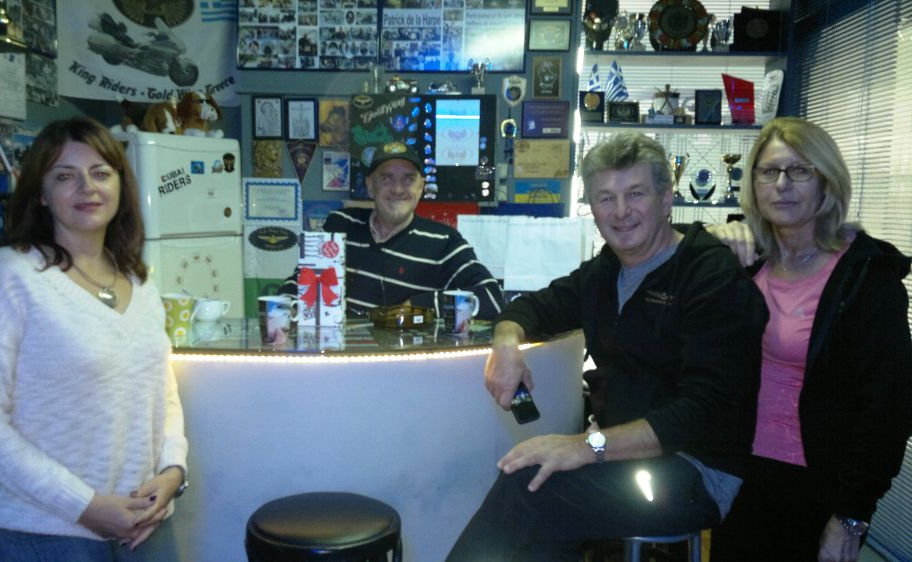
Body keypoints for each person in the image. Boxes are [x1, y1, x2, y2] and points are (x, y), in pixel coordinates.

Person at [446, 132, 769, 560]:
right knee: (536, 492)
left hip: (693, 473)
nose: (620, 211)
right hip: (623, 457)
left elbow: (700, 414)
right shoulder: (605, 273)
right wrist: (506, 342)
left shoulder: (710, 275)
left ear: (666, 199)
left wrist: (585, 448)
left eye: (635, 194)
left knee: (529, 488)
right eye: (605, 198)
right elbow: (533, 306)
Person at [0, 117, 189, 561]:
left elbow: (162, 390)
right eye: (65, 176)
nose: (87, 187)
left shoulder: (138, 281)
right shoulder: (10, 275)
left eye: (101, 173)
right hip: (46, 529)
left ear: (120, 185)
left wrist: (173, 470)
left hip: (143, 520)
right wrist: (86, 507)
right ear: (40, 193)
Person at [705, 117, 912, 562]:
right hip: (737, 475)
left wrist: (851, 515)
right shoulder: (745, 263)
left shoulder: (867, 278)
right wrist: (709, 241)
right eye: (769, 171)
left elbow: (888, 409)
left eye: (799, 171)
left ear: (826, 182)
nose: (782, 185)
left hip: (816, 489)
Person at [280, 142, 503, 319]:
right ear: (370, 185)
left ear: (421, 186)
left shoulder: (444, 242)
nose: (397, 189)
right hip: (340, 358)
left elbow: (492, 298)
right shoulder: (340, 224)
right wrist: (288, 307)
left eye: (408, 179)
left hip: (407, 362)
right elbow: (300, 284)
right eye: (386, 178)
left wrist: (422, 305)